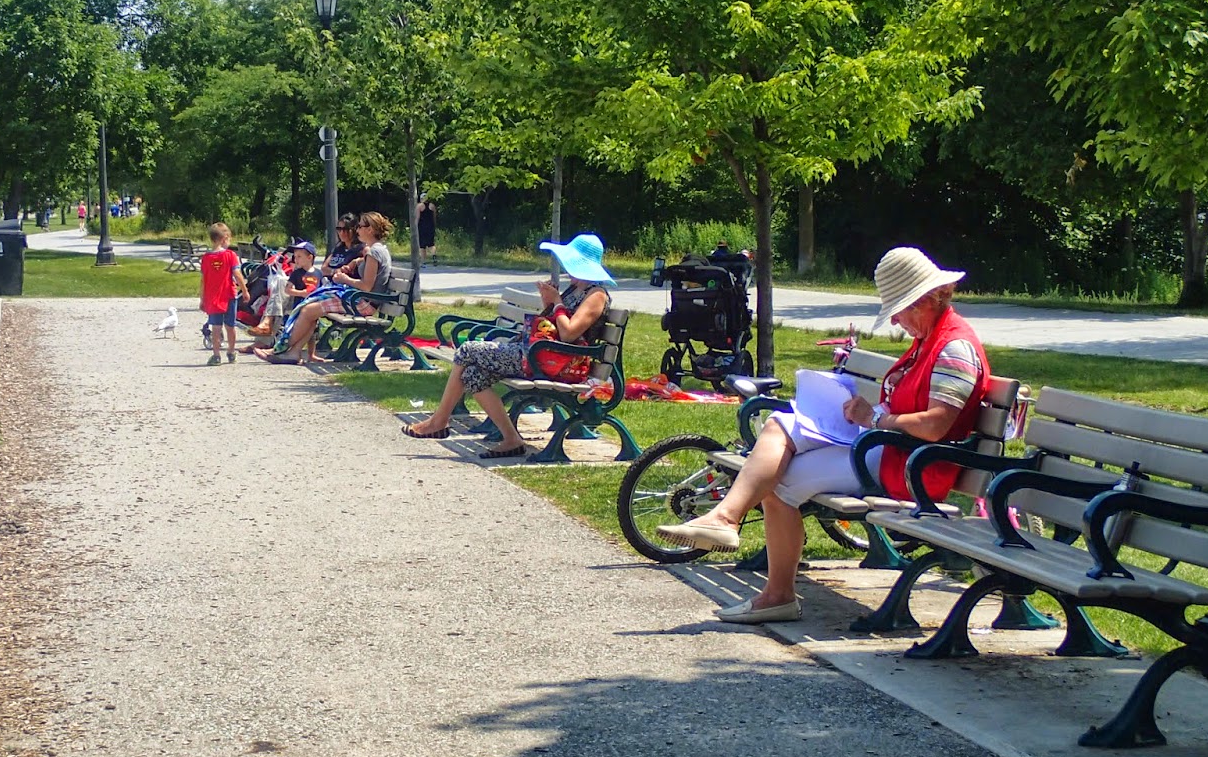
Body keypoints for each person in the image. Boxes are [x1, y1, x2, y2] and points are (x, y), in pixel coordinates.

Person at [656, 246, 990, 624]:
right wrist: (864, 413)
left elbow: (935, 425)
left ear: (926, 299)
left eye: (899, 309)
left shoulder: (954, 348)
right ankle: (726, 521)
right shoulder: (931, 339)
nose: (896, 321)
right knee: (778, 425)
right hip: (889, 450)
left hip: (911, 465)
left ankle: (772, 587)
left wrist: (875, 417)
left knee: (779, 484)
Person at [401, 233, 614, 459]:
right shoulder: (575, 289)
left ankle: (439, 421)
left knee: (466, 350)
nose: (565, 267)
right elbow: (552, 323)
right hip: (543, 355)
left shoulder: (596, 294)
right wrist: (549, 301)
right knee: (473, 375)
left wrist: (557, 301)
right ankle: (511, 439)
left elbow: (569, 334)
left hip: (556, 363)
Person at [258, 212, 393, 365]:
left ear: (370, 229)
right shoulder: (376, 250)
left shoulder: (374, 252)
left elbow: (366, 286)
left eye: (360, 226)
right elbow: (367, 269)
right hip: (360, 300)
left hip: (363, 304)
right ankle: (293, 352)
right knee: (309, 307)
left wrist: (345, 279)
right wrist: (355, 262)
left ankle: (278, 350)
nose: (357, 230)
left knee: (308, 310)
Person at [200, 222, 249, 365]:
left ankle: (216, 356)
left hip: (212, 298)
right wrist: (245, 290)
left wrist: (202, 299)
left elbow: (203, 280)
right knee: (230, 326)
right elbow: (237, 274)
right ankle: (231, 352)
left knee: (216, 328)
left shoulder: (206, 258)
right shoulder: (230, 255)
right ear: (225, 238)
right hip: (229, 296)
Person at [417, 195, 437, 265]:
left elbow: (417, 217)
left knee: (422, 245)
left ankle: (423, 261)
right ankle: (434, 256)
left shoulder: (419, 206)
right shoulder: (432, 206)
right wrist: (434, 225)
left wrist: (415, 226)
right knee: (431, 244)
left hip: (422, 227)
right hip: (430, 227)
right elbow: (434, 217)